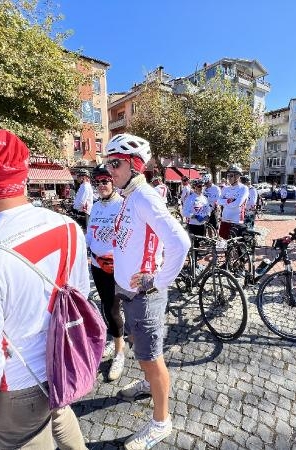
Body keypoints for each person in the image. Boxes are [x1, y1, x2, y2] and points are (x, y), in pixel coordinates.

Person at [0, 127, 88, 449]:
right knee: (60, 416)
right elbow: (79, 296)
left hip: (16, 384)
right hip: (59, 362)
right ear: (23, 170)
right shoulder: (67, 226)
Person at [104, 133, 190, 450]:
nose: (108, 170)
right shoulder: (129, 196)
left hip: (145, 296)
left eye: (115, 163)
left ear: (134, 164)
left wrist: (157, 279)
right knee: (143, 350)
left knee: (152, 358)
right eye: (107, 163)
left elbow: (180, 243)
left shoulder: (144, 197)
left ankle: (161, 423)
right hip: (129, 290)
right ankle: (148, 383)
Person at [86, 164, 126, 381]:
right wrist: (88, 250)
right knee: (105, 306)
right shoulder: (96, 206)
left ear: (113, 183)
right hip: (96, 264)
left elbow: (125, 237)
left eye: (105, 181)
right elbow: (90, 234)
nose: (101, 185)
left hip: (114, 266)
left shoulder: (122, 205)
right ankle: (116, 339)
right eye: (98, 182)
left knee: (113, 309)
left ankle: (120, 351)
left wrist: (114, 256)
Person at [219, 164, 249, 239]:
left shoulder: (243, 188)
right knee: (223, 245)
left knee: (236, 247)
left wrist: (225, 202)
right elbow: (218, 201)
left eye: (231, 176)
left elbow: (238, 204)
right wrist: (229, 200)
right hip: (225, 219)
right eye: (228, 176)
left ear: (237, 176)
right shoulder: (225, 189)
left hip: (236, 221)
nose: (228, 178)